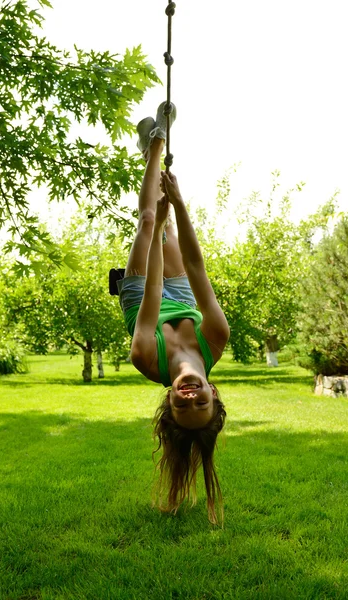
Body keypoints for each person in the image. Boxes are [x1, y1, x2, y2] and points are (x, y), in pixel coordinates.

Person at [117, 102, 230, 523]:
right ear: (212, 394)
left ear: (170, 399)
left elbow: (150, 295)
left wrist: (163, 219)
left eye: (183, 407)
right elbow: (198, 269)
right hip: (181, 292)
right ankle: (151, 147)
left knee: (148, 221)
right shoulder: (216, 338)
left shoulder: (145, 359)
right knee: (165, 221)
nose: (190, 398)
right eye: (201, 403)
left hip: (141, 297)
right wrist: (179, 205)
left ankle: (156, 143)